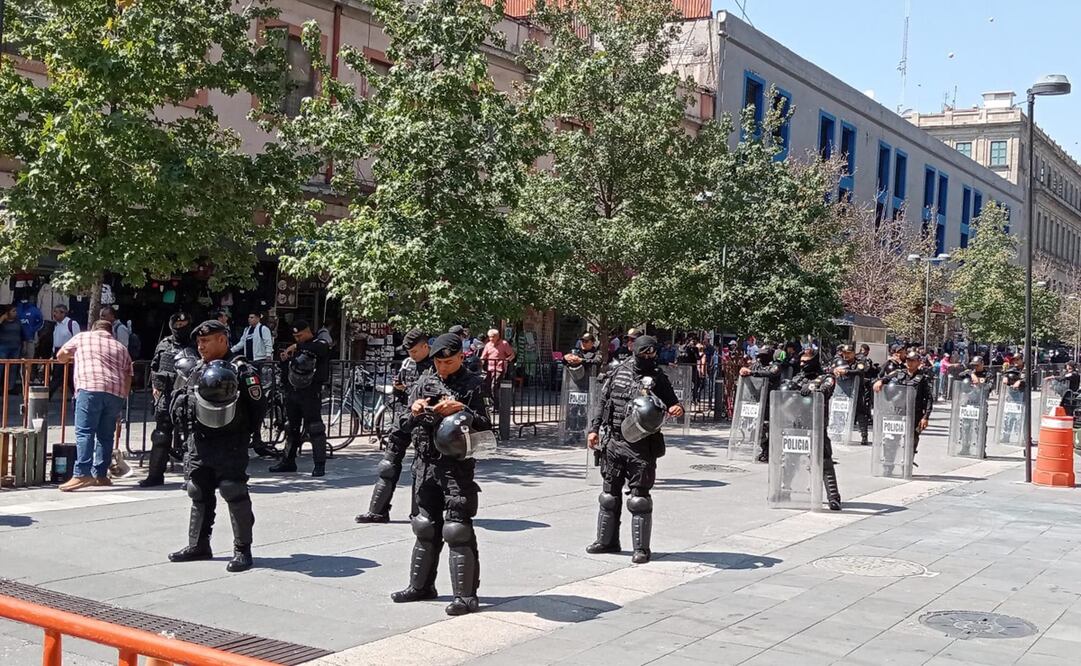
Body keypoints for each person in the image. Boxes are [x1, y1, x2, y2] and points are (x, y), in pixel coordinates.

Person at [390, 333, 491, 616]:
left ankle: (466, 597)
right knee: (424, 526)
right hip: (425, 465)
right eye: (438, 362)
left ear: (461, 357)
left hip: (456, 468)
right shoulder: (423, 382)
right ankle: (420, 586)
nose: (443, 367)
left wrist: (463, 410)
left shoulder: (473, 384)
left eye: (449, 362)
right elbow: (402, 424)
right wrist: (414, 411)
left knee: (457, 528)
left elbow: (487, 432)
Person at [168, 320, 262, 572]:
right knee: (198, 491)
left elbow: (257, 408)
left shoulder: (242, 370)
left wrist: (245, 434)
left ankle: (242, 550)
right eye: (199, 342)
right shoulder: (196, 369)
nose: (201, 346)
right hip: (199, 442)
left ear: (222, 340)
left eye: (206, 341)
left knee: (233, 490)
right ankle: (198, 545)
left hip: (230, 443)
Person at [586, 335, 684, 564]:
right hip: (614, 442)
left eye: (652, 353)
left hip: (642, 446)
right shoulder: (617, 371)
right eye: (644, 353)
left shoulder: (658, 377)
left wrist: (677, 408)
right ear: (635, 351)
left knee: (639, 499)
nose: (649, 357)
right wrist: (594, 429)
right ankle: (606, 541)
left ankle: (641, 549)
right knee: (609, 496)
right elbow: (603, 402)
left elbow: (674, 403)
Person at [355, 329, 432, 524]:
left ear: (425, 346)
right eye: (409, 352)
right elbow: (399, 392)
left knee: (420, 467)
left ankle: (419, 513)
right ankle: (378, 511)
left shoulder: (436, 364)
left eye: (414, 351)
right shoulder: (408, 364)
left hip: (424, 420)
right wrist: (398, 389)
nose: (411, 355)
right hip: (404, 415)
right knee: (388, 464)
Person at [56, 320, 133, 491]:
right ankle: (100, 475)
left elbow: (61, 356)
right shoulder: (121, 348)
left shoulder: (82, 337)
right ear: (111, 332)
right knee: (106, 436)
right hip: (116, 393)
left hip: (90, 388)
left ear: (93, 329)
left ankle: (82, 474)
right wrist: (123, 397)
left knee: (85, 432)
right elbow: (129, 374)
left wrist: (74, 357)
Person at [139, 312, 196, 487]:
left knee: (190, 437)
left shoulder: (196, 343)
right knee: (160, 436)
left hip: (189, 395)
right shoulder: (164, 344)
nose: (181, 328)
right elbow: (155, 367)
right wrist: (155, 387)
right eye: (178, 325)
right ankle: (155, 475)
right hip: (167, 394)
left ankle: (192, 478)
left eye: (184, 325)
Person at [782, 348, 842, 511]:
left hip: (816, 424)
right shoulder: (797, 377)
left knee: (824, 460)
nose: (802, 364)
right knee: (790, 459)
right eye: (801, 361)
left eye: (805, 361)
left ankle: (834, 497)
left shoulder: (826, 378)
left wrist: (813, 389)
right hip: (797, 424)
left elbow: (826, 390)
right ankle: (784, 491)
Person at [269, 321, 332, 477]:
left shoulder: (319, 342)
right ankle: (288, 461)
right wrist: (285, 360)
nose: (297, 338)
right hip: (293, 392)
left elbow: (320, 349)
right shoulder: (297, 347)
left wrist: (296, 346)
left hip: (311, 393)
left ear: (308, 331)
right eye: (295, 336)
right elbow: (291, 369)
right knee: (291, 428)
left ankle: (319, 465)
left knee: (315, 428)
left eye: (300, 335)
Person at [873, 350, 934, 461]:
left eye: (913, 361)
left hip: (914, 414)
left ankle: (907, 463)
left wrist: (926, 417)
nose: (910, 363)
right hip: (897, 412)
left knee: (911, 440)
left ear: (918, 362)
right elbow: (884, 378)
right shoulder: (898, 373)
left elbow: (929, 399)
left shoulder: (923, 378)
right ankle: (888, 463)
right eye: (908, 360)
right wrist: (880, 382)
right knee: (891, 439)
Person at [738, 344, 783, 462]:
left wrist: (752, 373)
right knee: (758, 428)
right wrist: (744, 371)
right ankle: (763, 449)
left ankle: (770, 451)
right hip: (758, 400)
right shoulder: (756, 365)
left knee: (769, 427)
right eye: (760, 354)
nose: (761, 357)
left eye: (764, 355)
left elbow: (771, 373)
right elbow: (748, 371)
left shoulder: (775, 365)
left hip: (770, 402)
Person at [830, 344, 875, 446]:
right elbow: (830, 369)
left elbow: (859, 371)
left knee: (860, 412)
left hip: (857, 391)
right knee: (839, 411)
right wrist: (835, 370)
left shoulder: (859, 362)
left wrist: (846, 371)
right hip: (843, 391)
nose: (846, 355)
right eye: (844, 353)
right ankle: (838, 433)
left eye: (848, 353)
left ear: (854, 353)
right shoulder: (839, 361)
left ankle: (864, 435)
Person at [49, 305, 80, 399]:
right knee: (63, 375)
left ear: (63, 313)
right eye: (54, 312)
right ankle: (76, 394)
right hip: (57, 351)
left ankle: (48, 394)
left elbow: (77, 338)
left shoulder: (72, 323)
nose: (54, 314)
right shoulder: (57, 325)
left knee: (61, 375)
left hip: (68, 352)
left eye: (57, 312)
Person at [480, 328, 515, 405]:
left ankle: (496, 405)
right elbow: (483, 357)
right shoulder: (488, 345)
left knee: (494, 386)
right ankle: (492, 404)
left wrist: (507, 360)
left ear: (497, 336)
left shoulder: (504, 344)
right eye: (490, 337)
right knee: (487, 386)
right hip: (490, 369)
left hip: (499, 368)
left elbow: (512, 355)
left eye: (493, 336)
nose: (491, 338)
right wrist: (481, 365)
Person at [0, 304, 25, 392]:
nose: (15, 313)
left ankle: (10, 387)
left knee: (13, 367)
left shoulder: (18, 321)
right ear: (8, 312)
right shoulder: (3, 321)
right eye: (13, 311)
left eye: (16, 311)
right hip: (3, 347)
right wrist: (2, 318)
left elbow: (22, 333)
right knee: (1, 367)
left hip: (15, 347)